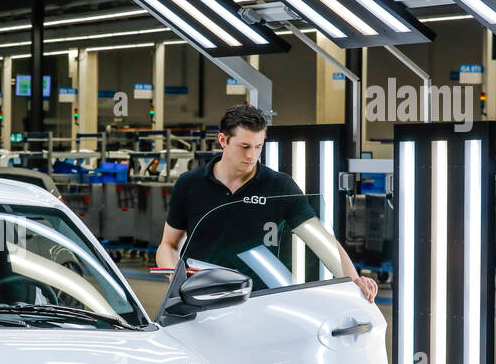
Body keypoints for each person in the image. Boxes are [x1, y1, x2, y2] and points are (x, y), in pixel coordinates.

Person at [154, 104, 378, 302]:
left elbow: (322, 240)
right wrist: (177, 279)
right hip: (201, 299)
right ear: (223, 140)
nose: (252, 155)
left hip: (259, 302)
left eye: (258, 146)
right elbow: (168, 245)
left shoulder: (279, 186)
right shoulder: (190, 184)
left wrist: (354, 280)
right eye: (244, 146)